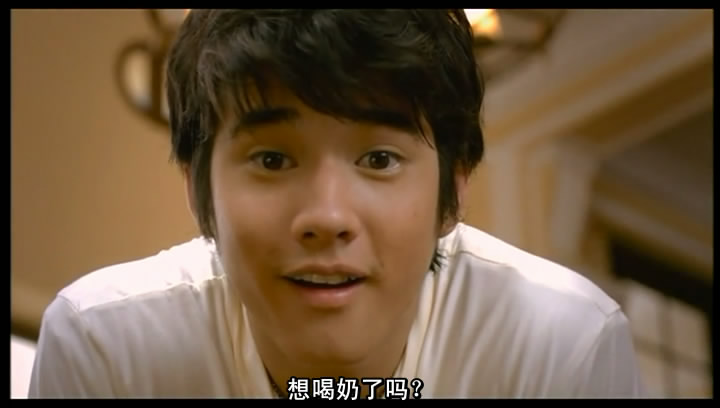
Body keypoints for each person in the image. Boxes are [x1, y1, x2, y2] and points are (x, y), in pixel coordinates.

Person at [28, 9, 645, 399]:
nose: (327, 217)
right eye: (273, 160)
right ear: (197, 188)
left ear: (454, 188)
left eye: (378, 159)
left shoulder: (560, 348)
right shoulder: (107, 349)